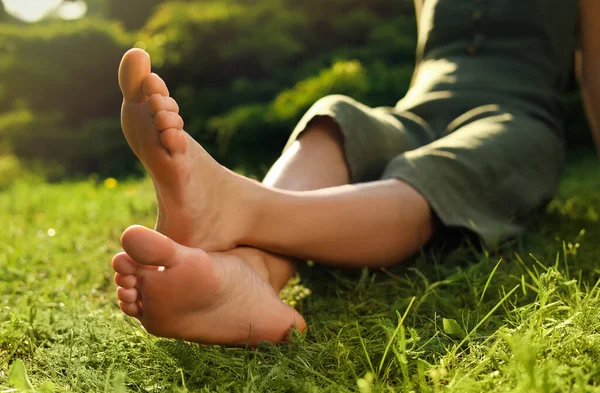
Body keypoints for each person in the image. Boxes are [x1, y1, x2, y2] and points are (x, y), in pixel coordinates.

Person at [111, 0, 599, 346]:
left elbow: (594, 72)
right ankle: (248, 276)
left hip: (513, 119)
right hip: (418, 113)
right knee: (338, 118)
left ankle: (238, 207)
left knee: (431, 172)